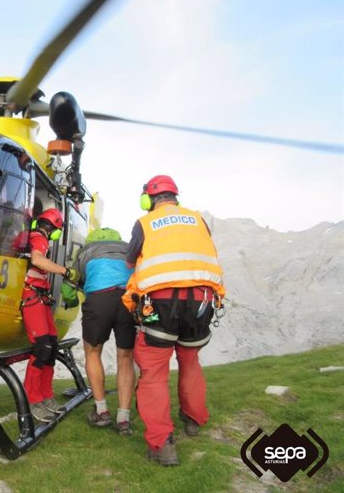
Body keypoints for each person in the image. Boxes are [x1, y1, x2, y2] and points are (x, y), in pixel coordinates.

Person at [123, 175, 225, 466]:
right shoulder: (198, 220)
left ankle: (162, 445)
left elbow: (130, 262)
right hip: (202, 301)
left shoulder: (144, 223)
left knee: (153, 371)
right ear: (175, 196)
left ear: (148, 199)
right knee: (190, 360)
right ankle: (194, 420)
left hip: (161, 303)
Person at [69, 227, 135, 435]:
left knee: (93, 352)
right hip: (128, 299)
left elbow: (72, 284)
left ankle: (102, 411)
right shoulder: (127, 249)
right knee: (125, 357)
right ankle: (124, 418)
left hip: (99, 299)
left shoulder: (86, 251)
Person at [21, 208, 74, 423]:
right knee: (42, 346)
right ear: (54, 229)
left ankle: (45, 396)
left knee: (51, 347)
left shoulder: (38, 237)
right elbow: (37, 260)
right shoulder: (39, 238)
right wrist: (64, 271)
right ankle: (32, 398)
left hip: (41, 298)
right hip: (32, 296)